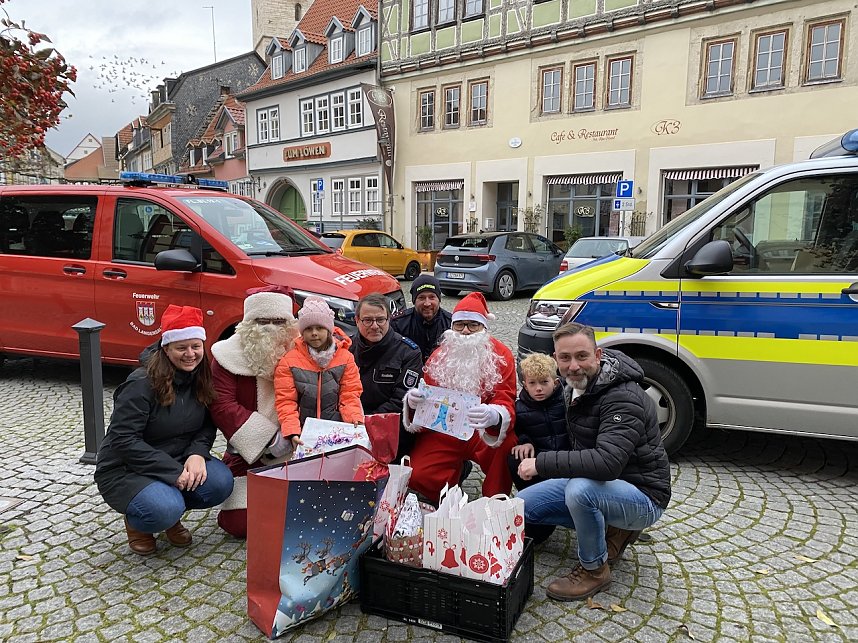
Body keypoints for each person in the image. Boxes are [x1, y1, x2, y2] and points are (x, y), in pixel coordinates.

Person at [516, 322, 671, 601]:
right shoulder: (571, 386)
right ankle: (613, 528)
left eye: (582, 356)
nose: (574, 365)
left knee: (580, 492)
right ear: (555, 359)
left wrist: (541, 463)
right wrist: (522, 438)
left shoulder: (623, 396)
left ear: (598, 355)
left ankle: (594, 569)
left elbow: (607, 463)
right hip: (604, 484)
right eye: (565, 358)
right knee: (524, 506)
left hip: (643, 494)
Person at [94, 305, 234, 556]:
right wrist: (173, 472)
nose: (190, 354)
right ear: (166, 348)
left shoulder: (201, 377)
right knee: (163, 507)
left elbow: (206, 424)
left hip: (178, 457)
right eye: (181, 348)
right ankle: (142, 521)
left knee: (220, 483)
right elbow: (123, 440)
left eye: (195, 346)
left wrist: (198, 454)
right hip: (128, 467)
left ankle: (170, 512)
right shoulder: (140, 385)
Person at [403, 292, 517, 502]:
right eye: (460, 325)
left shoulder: (501, 355)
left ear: (484, 327)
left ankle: (495, 503)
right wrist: (413, 402)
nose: (465, 330)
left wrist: (494, 414)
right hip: (444, 430)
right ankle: (445, 492)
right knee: (418, 474)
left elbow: (506, 396)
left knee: (506, 445)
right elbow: (428, 395)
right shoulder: (440, 355)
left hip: (481, 430)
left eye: (473, 325)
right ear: (452, 327)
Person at [210, 287, 299, 538]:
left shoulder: (303, 348)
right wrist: (268, 440)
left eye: (279, 321)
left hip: (297, 448)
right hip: (249, 453)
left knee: (303, 512)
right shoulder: (226, 355)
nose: (271, 327)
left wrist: (292, 434)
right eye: (262, 321)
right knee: (240, 523)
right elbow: (222, 405)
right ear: (248, 322)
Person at [275, 296, 363, 446]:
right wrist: (292, 431)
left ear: (329, 330)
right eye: (308, 328)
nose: (314, 333)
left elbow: (350, 394)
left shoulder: (346, 358)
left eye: (320, 328)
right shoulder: (289, 361)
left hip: (336, 430)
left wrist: (354, 420)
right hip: (304, 432)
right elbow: (286, 400)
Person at [350, 293, 423, 459]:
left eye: (380, 319)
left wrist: (365, 422)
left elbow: (401, 400)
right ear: (357, 321)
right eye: (367, 320)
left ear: (389, 319)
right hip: (351, 421)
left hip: (390, 428)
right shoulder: (346, 348)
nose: (375, 326)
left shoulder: (408, 352)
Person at [508, 352, 569, 543]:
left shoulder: (567, 402)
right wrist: (525, 441)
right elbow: (520, 429)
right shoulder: (521, 407)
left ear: (556, 382)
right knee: (514, 457)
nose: (539, 389)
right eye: (533, 383)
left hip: (568, 461)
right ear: (525, 384)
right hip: (541, 461)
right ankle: (535, 504)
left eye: (544, 382)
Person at [391, 274, 452, 363]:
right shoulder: (398, 324)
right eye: (421, 298)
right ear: (414, 301)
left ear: (439, 299)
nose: (427, 303)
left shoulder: (451, 324)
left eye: (432, 297)